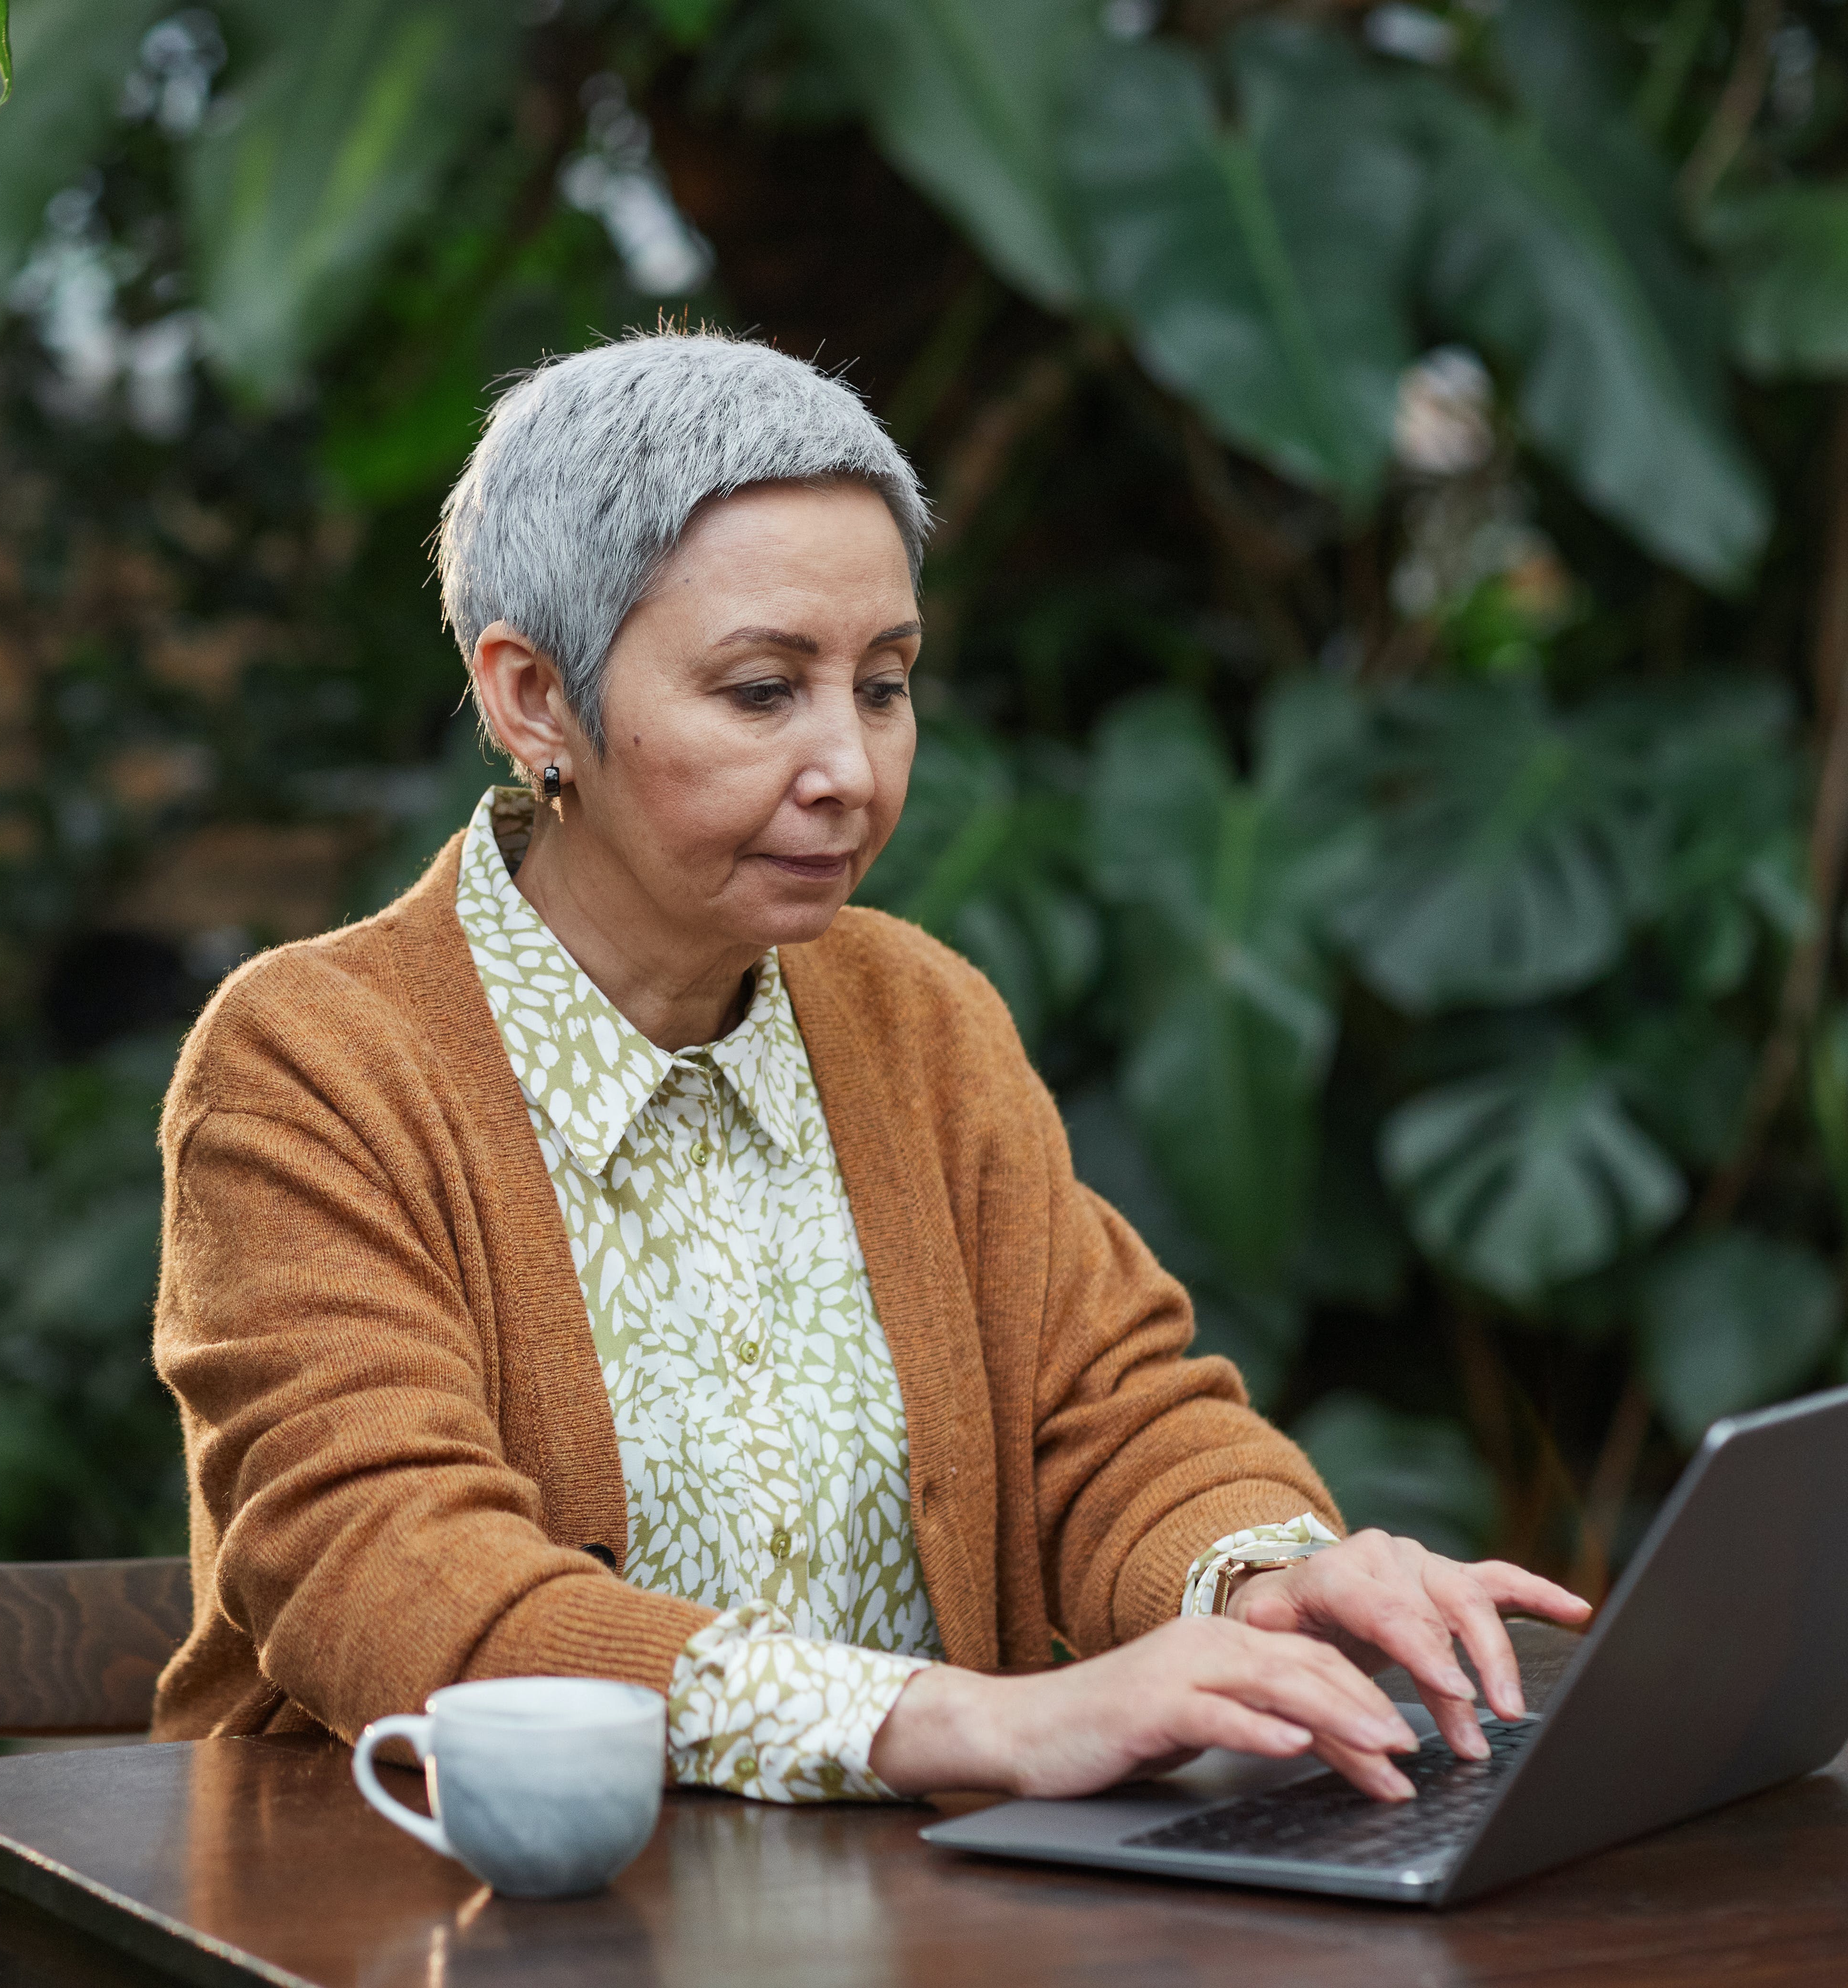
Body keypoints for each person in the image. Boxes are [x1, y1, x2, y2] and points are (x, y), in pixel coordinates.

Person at [148, 331, 1588, 1805]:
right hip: (440, 1921)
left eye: (885, 685)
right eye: (765, 691)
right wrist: (960, 1723)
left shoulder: (916, 1014)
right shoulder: (310, 1065)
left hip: (919, 1924)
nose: (854, 766)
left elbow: (1116, 1418)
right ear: (532, 699)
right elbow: (391, 1576)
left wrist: (1263, 1579)